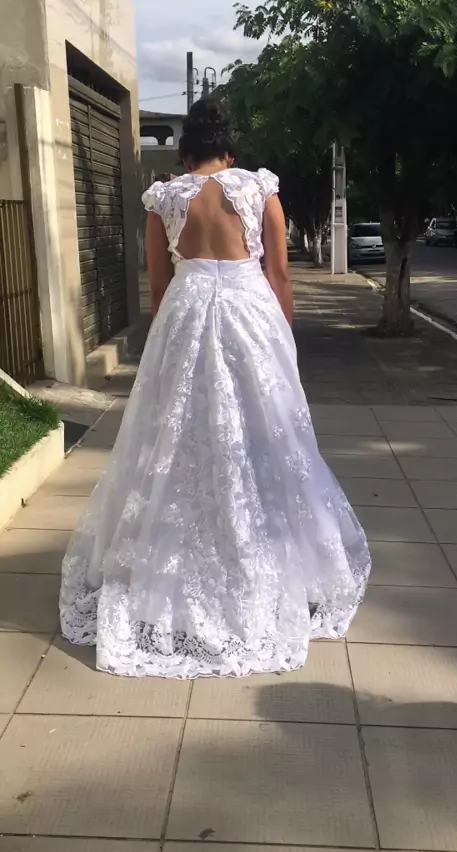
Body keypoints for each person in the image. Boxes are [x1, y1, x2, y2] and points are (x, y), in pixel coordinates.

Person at [60, 98, 371, 678]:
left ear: (186, 154)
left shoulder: (165, 199)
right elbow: (279, 275)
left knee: (179, 439)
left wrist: (167, 345)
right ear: (229, 150)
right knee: (264, 436)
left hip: (186, 318)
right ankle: (273, 561)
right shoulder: (259, 189)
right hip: (251, 318)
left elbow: (159, 287)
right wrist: (283, 340)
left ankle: (166, 569)